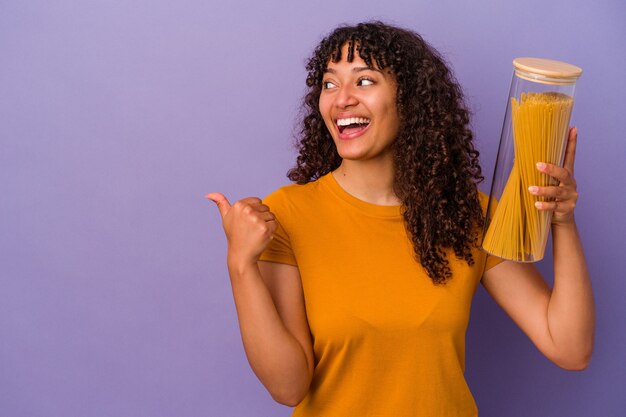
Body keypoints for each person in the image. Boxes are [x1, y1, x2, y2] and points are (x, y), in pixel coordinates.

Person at [206, 21, 594, 417]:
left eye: (365, 81)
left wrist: (563, 222)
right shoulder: (289, 214)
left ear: (411, 100)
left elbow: (569, 348)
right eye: (329, 84)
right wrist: (240, 265)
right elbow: (288, 387)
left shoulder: (466, 215)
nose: (341, 99)